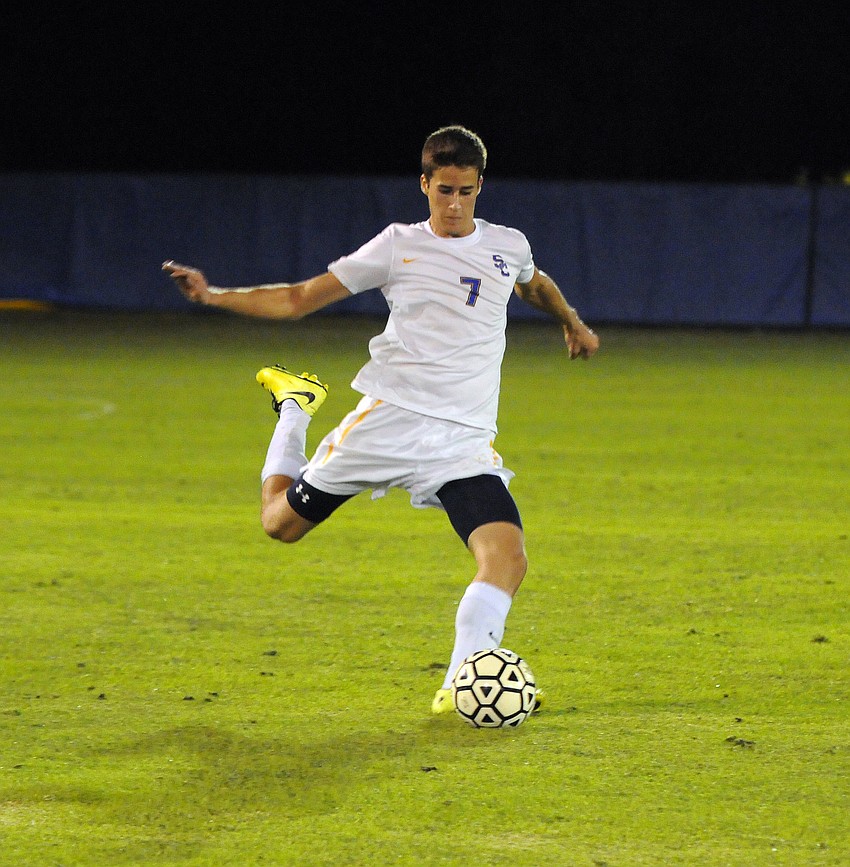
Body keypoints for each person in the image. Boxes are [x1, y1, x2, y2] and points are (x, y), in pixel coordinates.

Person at [163, 125, 599, 715]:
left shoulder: (507, 244)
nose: (453, 204)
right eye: (443, 190)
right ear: (423, 184)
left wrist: (569, 319)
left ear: (479, 187)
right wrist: (213, 295)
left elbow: (533, 283)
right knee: (279, 525)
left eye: (466, 192)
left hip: (462, 441)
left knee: (508, 557)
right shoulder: (397, 245)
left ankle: (459, 683)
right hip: (387, 424)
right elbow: (298, 298)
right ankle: (295, 405)